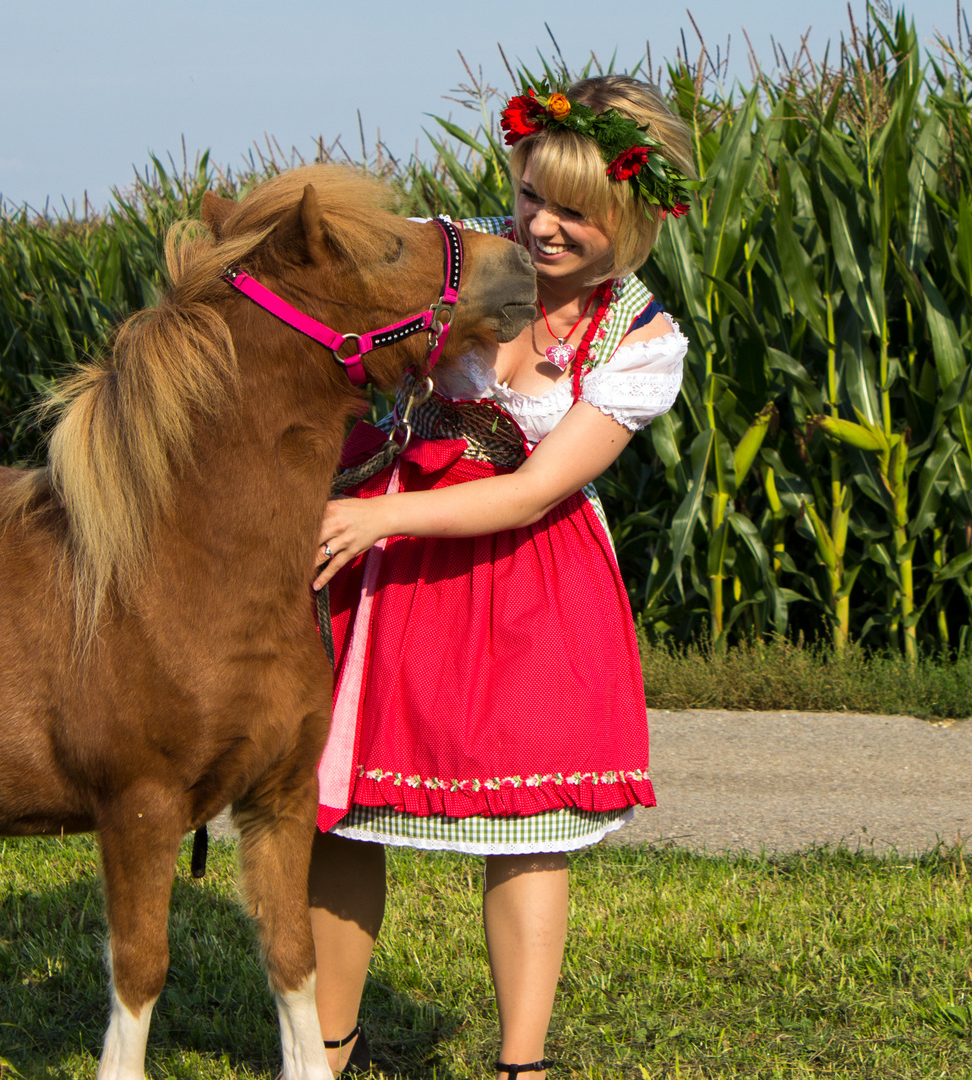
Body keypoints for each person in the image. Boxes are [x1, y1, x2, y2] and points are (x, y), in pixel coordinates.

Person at [308, 76, 697, 1079]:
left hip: (525, 574)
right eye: (530, 196)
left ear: (637, 216)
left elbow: (531, 494)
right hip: (394, 565)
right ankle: (324, 1049)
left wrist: (375, 515)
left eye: (576, 211)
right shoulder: (456, 255)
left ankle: (520, 1066)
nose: (542, 226)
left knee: (532, 823)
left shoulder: (638, 339)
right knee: (343, 808)